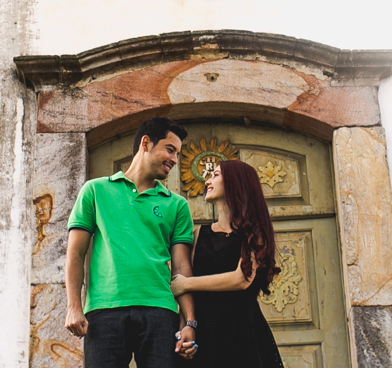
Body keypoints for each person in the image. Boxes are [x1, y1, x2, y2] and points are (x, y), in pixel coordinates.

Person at [65, 117, 199, 367]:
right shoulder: (95, 191)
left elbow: (182, 269)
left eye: (177, 154)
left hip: (160, 311)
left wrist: (189, 322)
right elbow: (75, 253)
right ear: (145, 143)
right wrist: (74, 306)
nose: (174, 159)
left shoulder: (177, 205)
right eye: (170, 150)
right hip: (104, 310)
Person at [170, 160, 284, 368]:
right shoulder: (198, 234)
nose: (207, 181)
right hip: (204, 330)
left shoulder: (254, 234)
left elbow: (241, 279)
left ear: (235, 182)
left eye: (215, 175)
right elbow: (186, 291)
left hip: (240, 330)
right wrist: (185, 326)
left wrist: (186, 283)